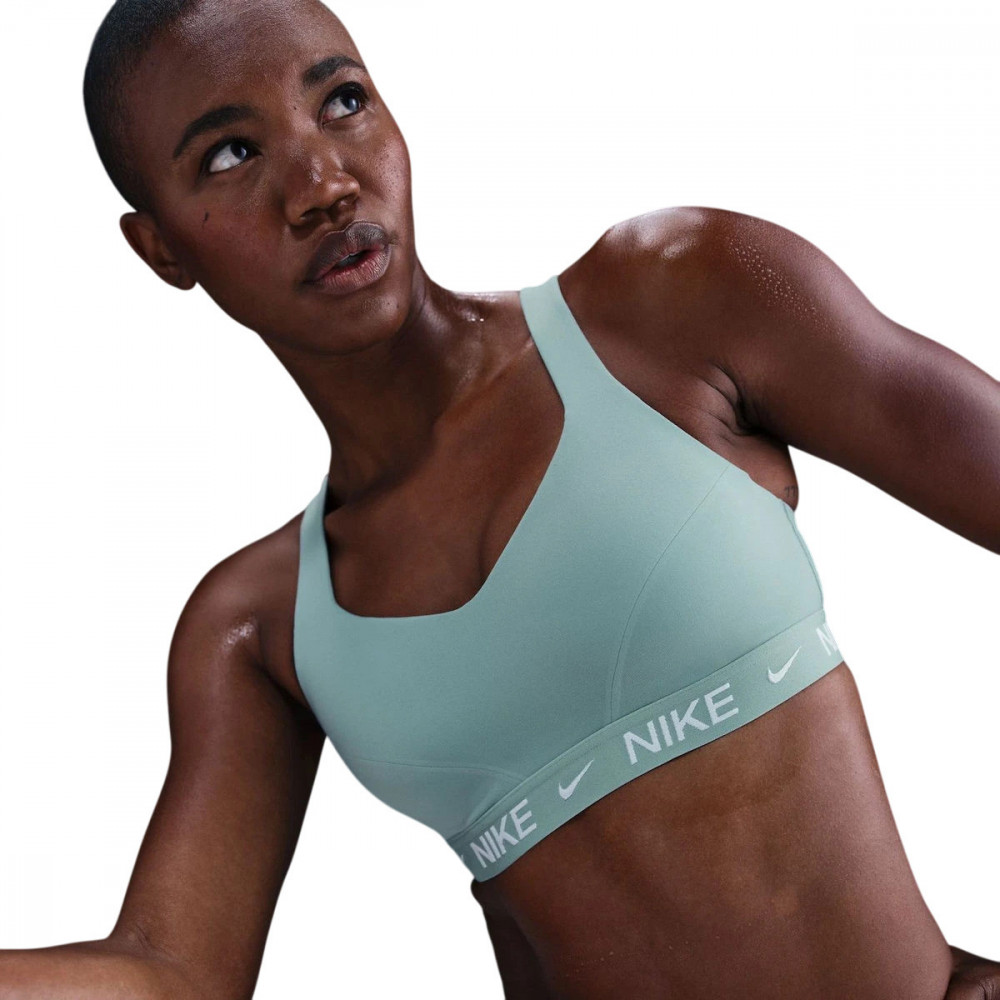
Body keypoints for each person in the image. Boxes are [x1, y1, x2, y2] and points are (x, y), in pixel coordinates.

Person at [1, 0, 998, 997]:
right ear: (161, 249)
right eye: (230, 156)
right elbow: (170, 975)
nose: (323, 185)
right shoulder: (265, 627)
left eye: (342, 101)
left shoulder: (669, 306)